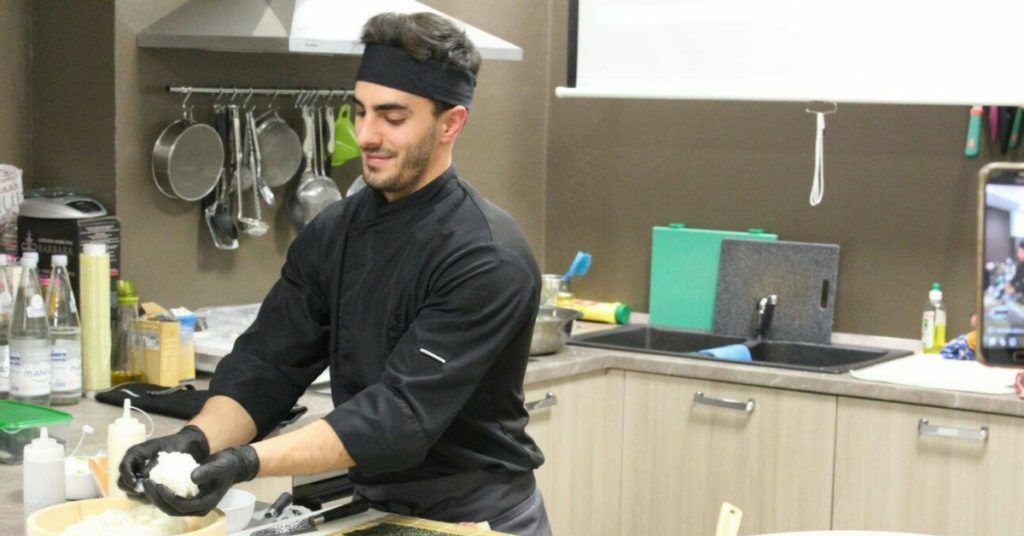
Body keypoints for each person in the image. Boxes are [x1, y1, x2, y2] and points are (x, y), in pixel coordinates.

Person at [119, 12, 552, 535]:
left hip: (478, 518)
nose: (366, 135)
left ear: (450, 124)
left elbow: (397, 415)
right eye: (360, 111)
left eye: (393, 118)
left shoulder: (486, 257)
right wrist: (195, 440)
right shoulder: (335, 231)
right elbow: (268, 363)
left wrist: (245, 462)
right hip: (377, 508)